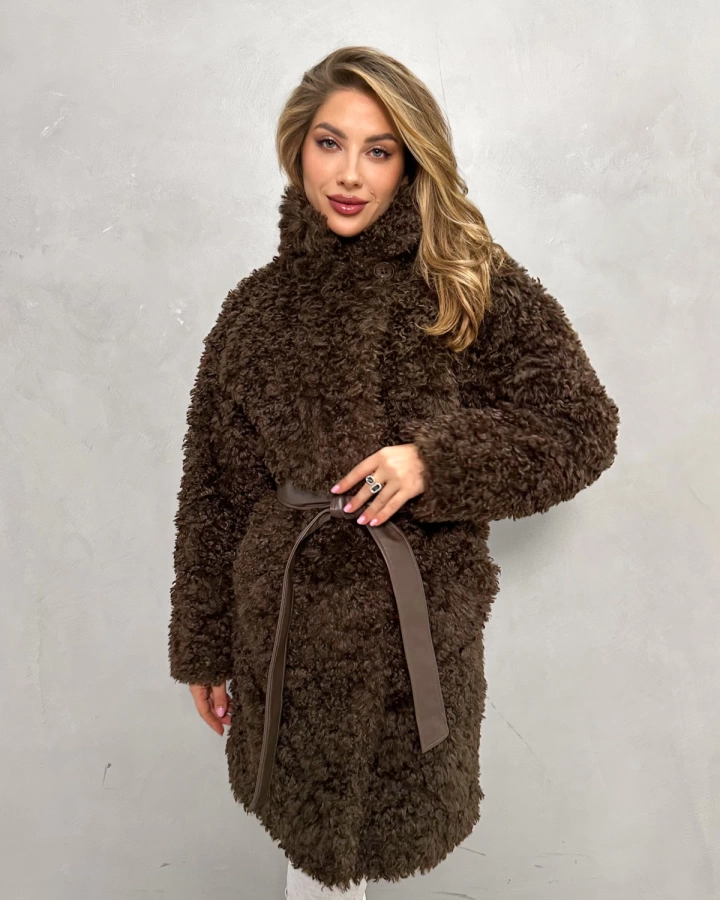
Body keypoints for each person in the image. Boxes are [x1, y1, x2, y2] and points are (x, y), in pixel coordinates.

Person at [168, 46, 620, 899]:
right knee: (303, 852)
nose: (350, 174)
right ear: (297, 148)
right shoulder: (254, 310)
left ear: (410, 160)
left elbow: (581, 425)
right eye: (329, 143)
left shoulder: (466, 280)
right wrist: (204, 643)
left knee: (385, 832)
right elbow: (215, 493)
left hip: (413, 633)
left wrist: (434, 462)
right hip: (282, 628)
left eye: (378, 150)